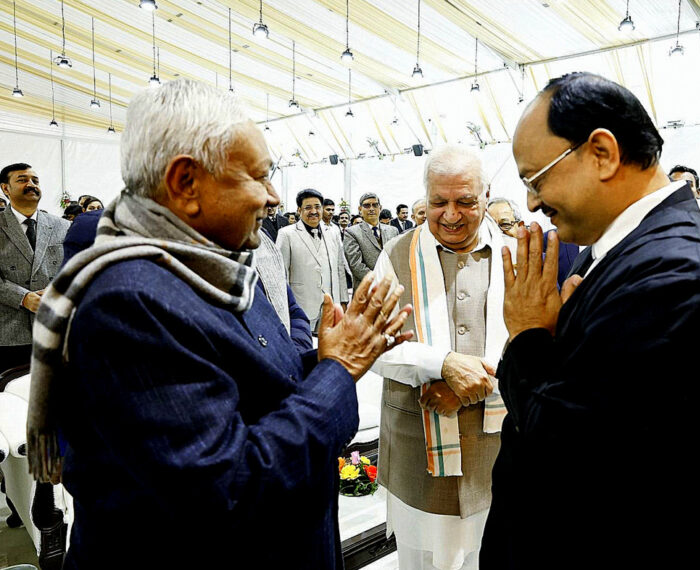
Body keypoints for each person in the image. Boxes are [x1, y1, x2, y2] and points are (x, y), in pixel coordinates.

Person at [26, 79, 413, 569]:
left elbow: (251, 383)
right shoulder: (128, 303)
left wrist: (326, 355)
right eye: (259, 177)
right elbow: (229, 491)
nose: (274, 198)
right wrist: (340, 370)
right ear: (187, 183)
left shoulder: (213, 267)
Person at [479, 72, 700, 569]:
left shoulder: (679, 279)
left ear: (602, 153)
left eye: (535, 178)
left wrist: (529, 336)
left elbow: (570, 451)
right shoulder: (630, 250)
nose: (531, 202)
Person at [371, 145, 510, 570]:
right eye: (439, 202)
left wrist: (470, 390)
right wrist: (442, 365)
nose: (451, 214)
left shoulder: (515, 255)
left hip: (498, 453)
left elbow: (536, 345)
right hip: (418, 450)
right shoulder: (396, 255)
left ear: (486, 196)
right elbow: (374, 344)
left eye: (465, 202)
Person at [0, 162, 71, 369]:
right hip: (10, 333)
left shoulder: (63, 226)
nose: (31, 184)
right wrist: (23, 297)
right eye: (22, 180)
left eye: (35, 180)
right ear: (5, 188)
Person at [276, 188, 348, 331]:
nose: (313, 211)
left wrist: (343, 300)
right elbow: (280, 274)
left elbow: (340, 268)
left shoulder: (333, 232)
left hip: (331, 305)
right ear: (299, 210)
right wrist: (285, 307)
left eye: (317, 207)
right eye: (308, 207)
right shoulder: (286, 234)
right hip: (302, 306)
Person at [344, 193, 398, 291]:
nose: (371, 209)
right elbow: (356, 265)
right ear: (360, 209)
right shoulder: (351, 232)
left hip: (391, 287)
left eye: (375, 205)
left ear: (380, 208)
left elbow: (397, 259)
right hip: (366, 289)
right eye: (367, 205)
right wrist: (379, 281)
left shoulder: (393, 231)